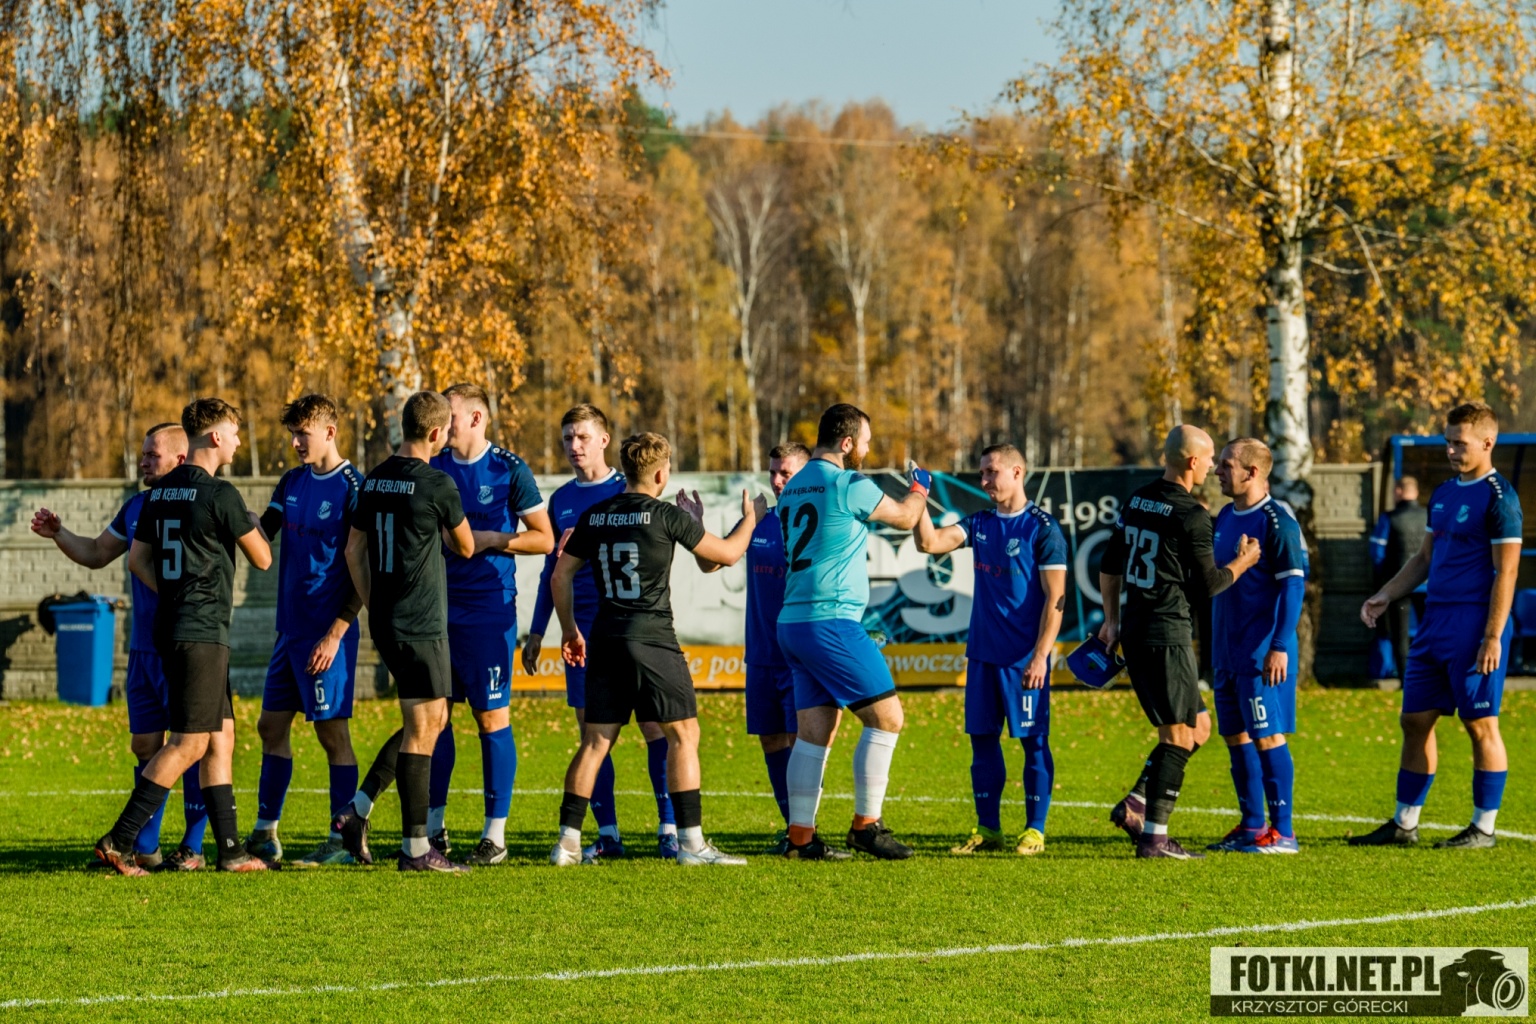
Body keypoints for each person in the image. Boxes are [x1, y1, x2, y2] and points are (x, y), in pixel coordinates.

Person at [548, 432, 756, 867]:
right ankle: (691, 845)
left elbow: (559, 575)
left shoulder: (596, 514)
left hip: (605, 638)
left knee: (595, 742)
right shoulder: (665, 515)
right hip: (653, 639)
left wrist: (569, 631)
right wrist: (751, 519)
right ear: (661, 474)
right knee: (684, 735)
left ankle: (566, 844)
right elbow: (727, 554)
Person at [93, 398, 274, 874]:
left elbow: (137, 561)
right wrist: (254, 524)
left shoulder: (158, 495)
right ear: (215, 437)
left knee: (221, 738)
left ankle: (230, 851)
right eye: (234, 433)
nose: (238, 442)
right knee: (189, 744)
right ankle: (119, 840)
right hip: (202, 634)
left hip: (173, 630)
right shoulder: (221, 494)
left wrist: (174, 595)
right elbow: (262, 559)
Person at [32, 424, 210, 871]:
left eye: (152, 455)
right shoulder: (136, 507)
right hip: (143, 649)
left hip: (185, 645)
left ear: (180, 460)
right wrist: (59, 533)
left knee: (190, 746)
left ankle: (193, 846)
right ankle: (144, 846)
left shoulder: (198, 504)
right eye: (143, 453)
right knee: (146, 744)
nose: (143, 461)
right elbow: (96, 552)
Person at [1355, 401, 1521, 850]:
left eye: (1459, 443)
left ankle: (1483, 828)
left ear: (1487, 442)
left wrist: (1492, 636)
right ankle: (1404, 824)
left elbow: (1506, 572)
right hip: (1434, 622)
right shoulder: (1444, 493)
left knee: (1479, 723)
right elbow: (1424, 558)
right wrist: (1387, 594)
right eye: (1447, 442)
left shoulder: (1501, 498)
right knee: (1414, 719)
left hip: (1475, 623)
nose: (1450, 450)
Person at [775, 404, 930, 860]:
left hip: (793, 623)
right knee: (888, 719)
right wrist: (920, 487)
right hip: (831, 621)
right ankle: (866, 826)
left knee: (813, 733)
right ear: (846, 443)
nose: (866, 449)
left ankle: (800, 838)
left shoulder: (791, 488)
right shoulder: (848, 483)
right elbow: (906, 517)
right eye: (864, 441)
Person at [1097, 425, 1260, 859]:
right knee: (1177, 736)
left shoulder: (1137, 500)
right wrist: (1243, 562)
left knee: (1199, 727)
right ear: (1192, 462)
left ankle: (1136, 804)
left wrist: (1111, 621)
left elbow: (1109, 564)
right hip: (1165, 634)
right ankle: (1155, 838)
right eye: (1210, 459)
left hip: (1138, 630)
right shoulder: (1192, 514)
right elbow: (1210, 585)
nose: (1213, 466)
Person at [525, 405, 677, 859]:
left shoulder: (630, 488)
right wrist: (539, 630)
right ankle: (608, 835)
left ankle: (669, 829)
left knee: (655, 727)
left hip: (633, 627)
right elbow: (552, 571)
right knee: (592, 736)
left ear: (605, 440)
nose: (574, 446)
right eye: (567, 438)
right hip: (582, 637)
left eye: (583, 437)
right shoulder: (560, 501)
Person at [337, 391, 477, 872]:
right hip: (421, 621)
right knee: (424, 728)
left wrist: (374, 603)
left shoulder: (374, 479)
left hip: (388, 619)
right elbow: (465, 546)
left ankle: (358, 810)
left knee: (434, 718)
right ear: (436, 433)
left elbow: (353, 550)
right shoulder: (437, 483)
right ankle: (416, 848)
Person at [913, 443, 1067, 857]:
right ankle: (988, 829)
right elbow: (929, 543)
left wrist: (1040, 656)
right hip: (982, 655)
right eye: (981, 473)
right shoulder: (980, 523)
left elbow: (1057, 600)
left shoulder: (1043, 528)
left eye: (991, 472)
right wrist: (919, 497)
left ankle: (1034, 831)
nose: (983, 481)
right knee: (982, 742)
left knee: (1034, 743)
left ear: (1017, 473)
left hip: (1023, 660)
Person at [427, 383, 554, 865]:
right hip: (437, 611)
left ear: (477, 419)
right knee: (435, 719)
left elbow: (544, 539)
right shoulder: (433, 466)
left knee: (491, 718)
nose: (444, 423)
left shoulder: (508, 468)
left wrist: (491, 539)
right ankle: (434, 829)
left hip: (488, 612)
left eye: (451, 415)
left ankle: (494, 836)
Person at [244, 395, 365, 867]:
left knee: (332, 736)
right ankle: (265, 833)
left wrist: (335, 633)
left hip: (326, 636)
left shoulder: (355, 487)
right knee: (270, 726)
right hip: (289, 634)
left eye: (303, 434)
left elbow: (364, 569)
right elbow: (264, 532)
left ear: (330, 432)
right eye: (292, 434)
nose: (295, 442)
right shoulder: (292, 481)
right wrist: (237, 518)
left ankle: (343, 841)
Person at [686, 440, 811, 853]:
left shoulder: (818, 523)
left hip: (799, 657)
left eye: (786, 472)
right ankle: (792, 827)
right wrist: (697, 526)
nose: (776, 480)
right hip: (759, 656)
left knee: (801, 743)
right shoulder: (758, 521)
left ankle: (804, 829)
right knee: (771, 741)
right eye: (773, 472)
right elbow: (712, 562)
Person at [1207, 438, 1306, 855]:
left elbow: (1294, 587)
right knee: (1236, 737)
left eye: (1226, 465)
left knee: (1267, 736)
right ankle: (1252, 825)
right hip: (1226, 650)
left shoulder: (1277, 521)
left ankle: (1283, 833)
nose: (1217, 471)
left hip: (1262, 653)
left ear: (1251, 472)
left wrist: (1279, 645)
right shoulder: (1226, 516)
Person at [1369, 476, 1428, 678]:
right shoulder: (1429, 516)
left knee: (1399, 633)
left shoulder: (1389, 518)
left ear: (1398, 491)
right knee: (1429, 631)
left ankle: (1405, 677)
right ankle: (1431, 675)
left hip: (1399, 584)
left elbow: (1377, 552)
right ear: (1416, 492)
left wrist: (1384, 579)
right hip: (1427, 584)